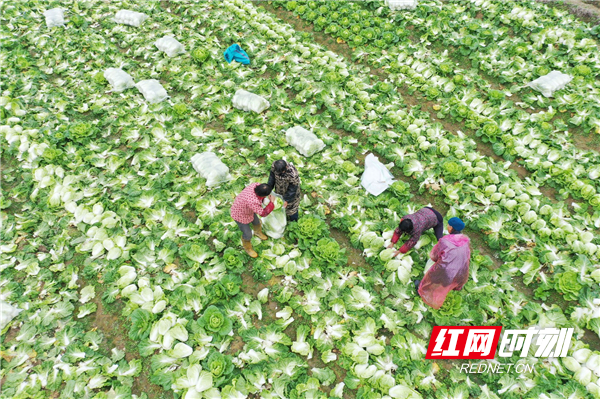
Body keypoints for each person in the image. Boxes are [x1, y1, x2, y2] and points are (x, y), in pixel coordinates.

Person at [415, 217, 471, 309]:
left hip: (446, 272)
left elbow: (434, 256)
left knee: (433, 277)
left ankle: (423, 292)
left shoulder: (445, 241)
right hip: (462, 272)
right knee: (448, 279)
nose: (447, 226)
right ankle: (448, 286)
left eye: (448, 225)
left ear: (451, 228)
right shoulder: (465, 240)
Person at [230, 183, 275, 258]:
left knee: (256, 222)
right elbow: (263, 213)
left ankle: (257, 232)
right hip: (239, 214)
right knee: (247, 234)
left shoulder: (255, 185)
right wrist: (271, 203)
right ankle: (248, 248)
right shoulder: (253, 201)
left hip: (247, 209)